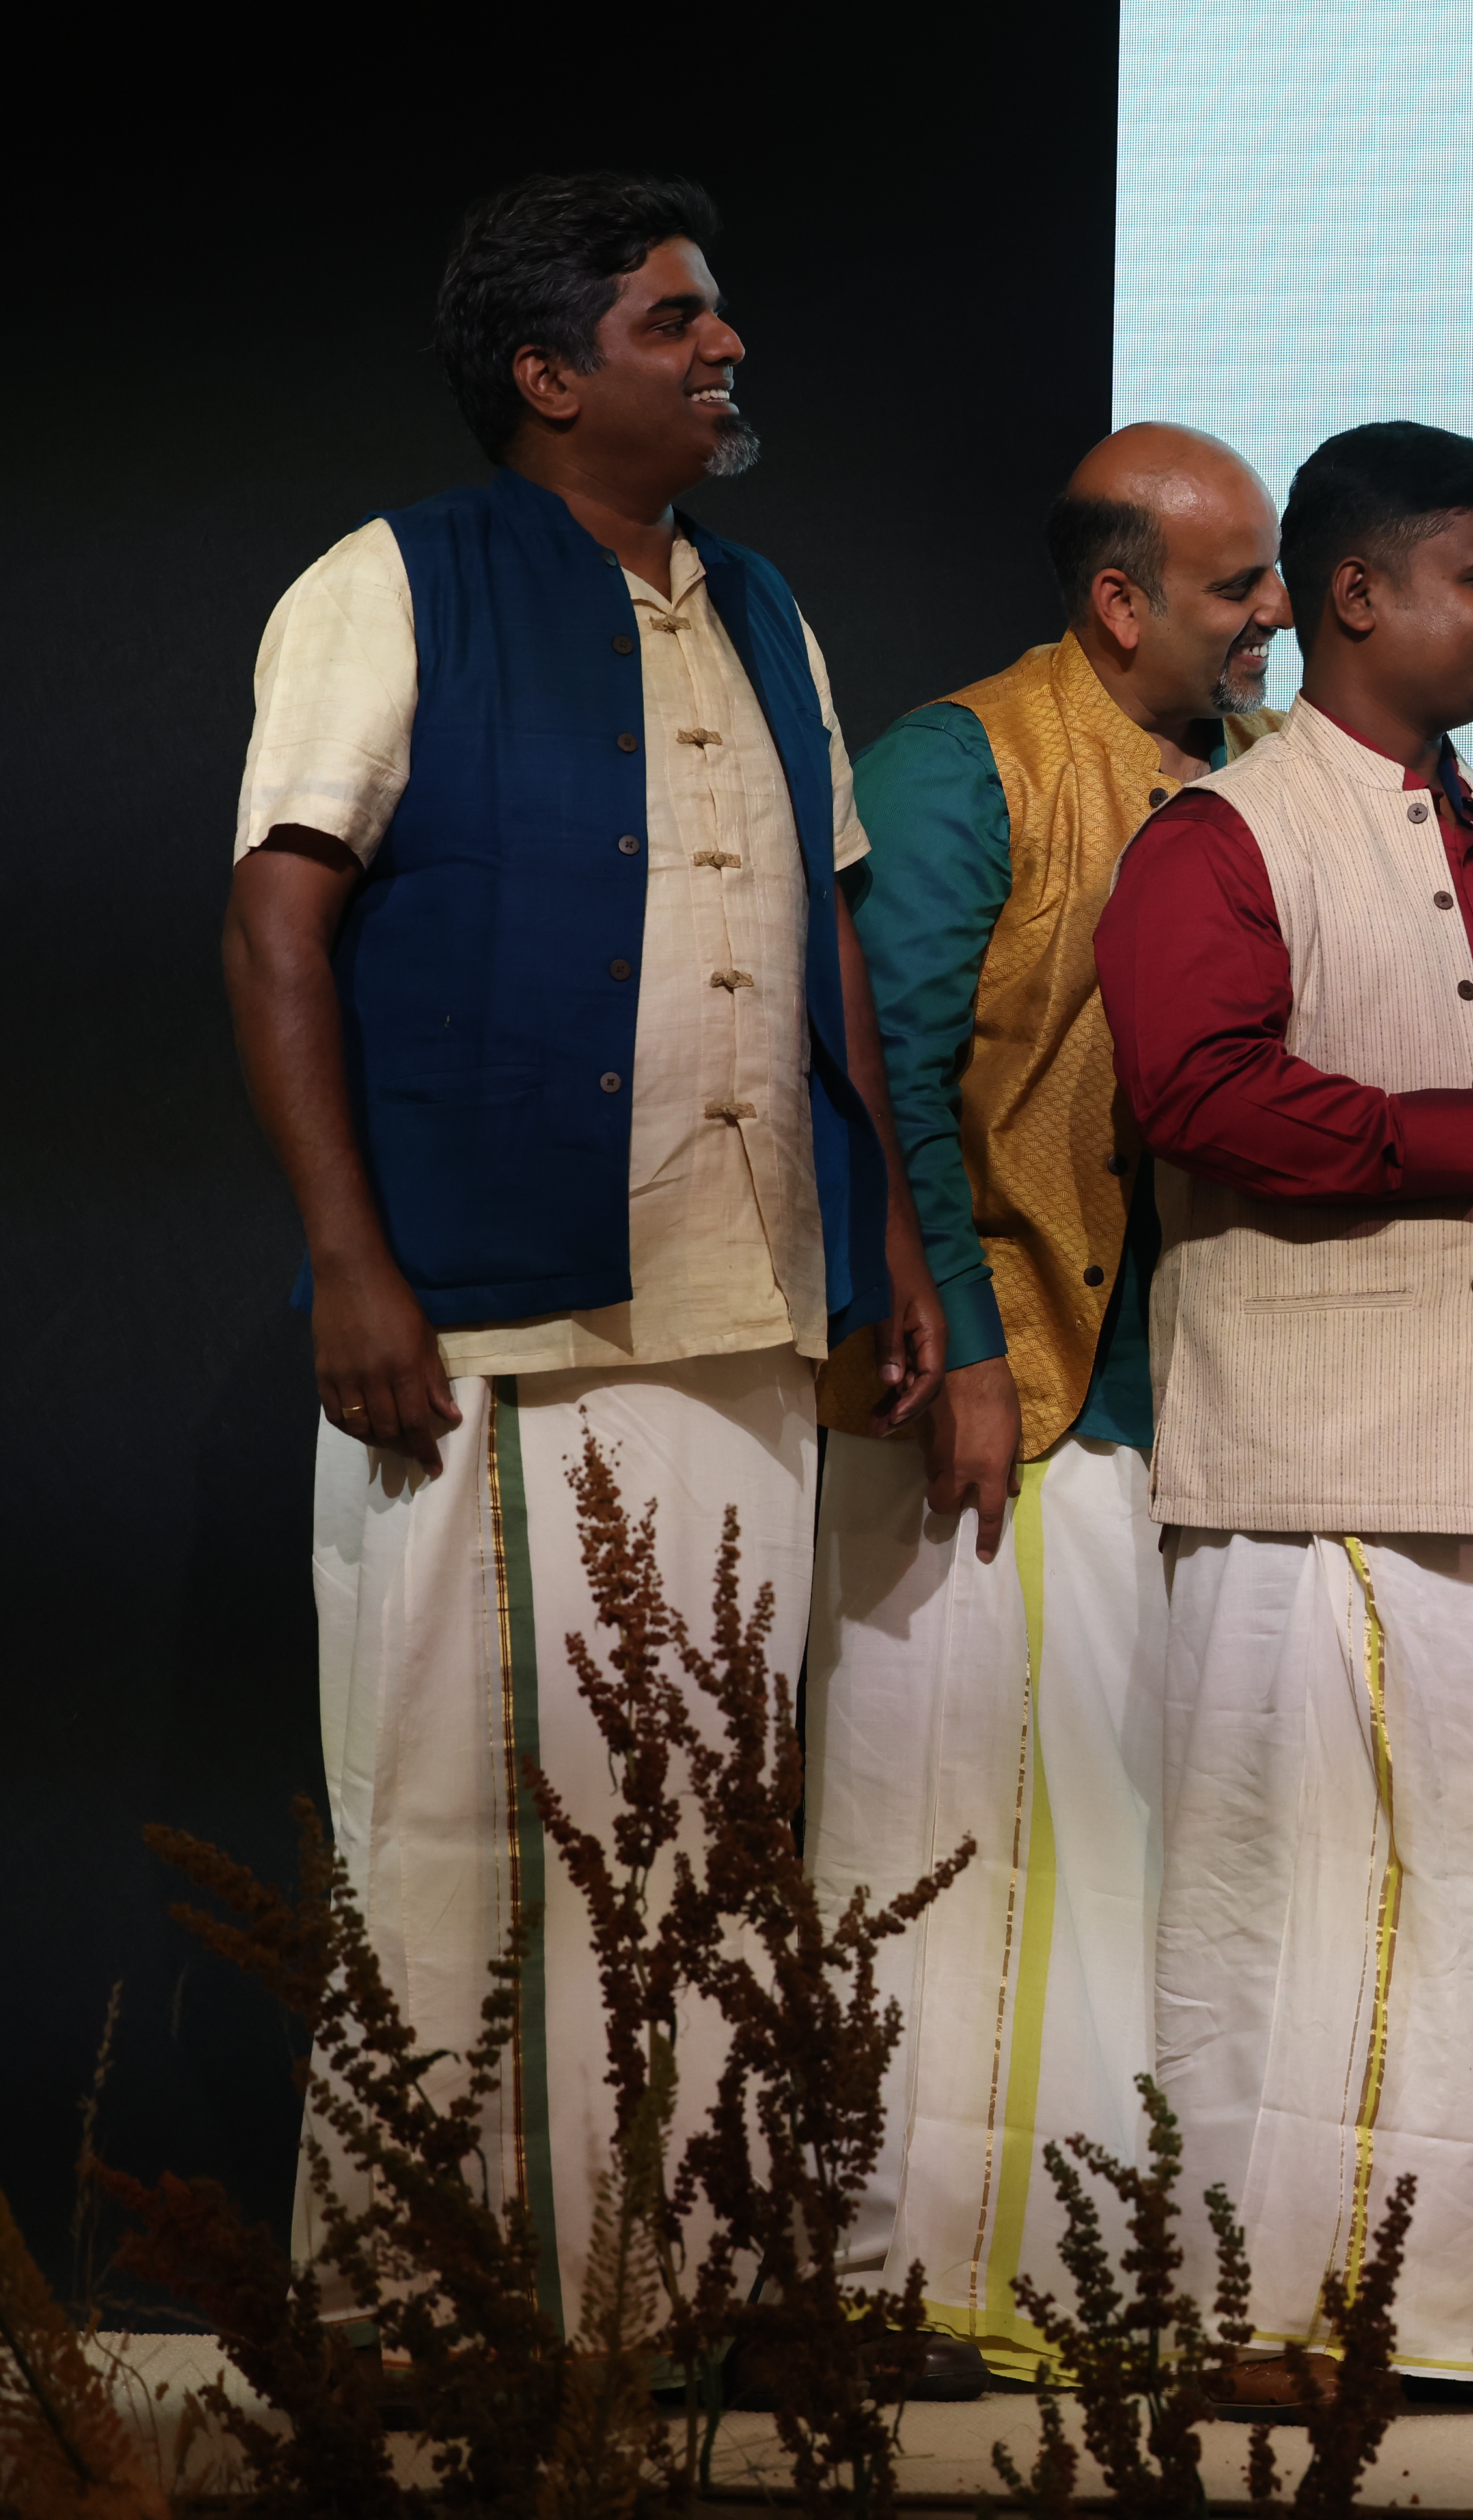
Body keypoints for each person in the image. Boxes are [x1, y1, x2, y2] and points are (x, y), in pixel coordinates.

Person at [223, 172, 943, 2329]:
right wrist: (354, 1261)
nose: (726, 349)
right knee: (460, 1809)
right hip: (486, 1308)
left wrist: (892, 1243)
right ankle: (424, 2309)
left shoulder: (765, 604)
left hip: (743, 1296)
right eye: (672, 321)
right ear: (548, 376)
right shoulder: (393, 582)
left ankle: (675, 2293)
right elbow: (276, 923)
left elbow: (830, 942)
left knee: (709, 1806)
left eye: (718, 316)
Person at [1094, 420, 1473, 2409]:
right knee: (1291, 1907)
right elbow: (1192, 1090)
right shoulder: (1222, 838)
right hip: (1313, 1465)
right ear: (1359, 594)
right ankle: (1261, 2316)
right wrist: (1465, 1140)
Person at [802, 424, 1291, 2381]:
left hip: (1181, 1401)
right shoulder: (968, 763)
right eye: (1240, 585)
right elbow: (891, 1075)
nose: (1274, 616)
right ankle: (903, 2279)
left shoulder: (1258, 774)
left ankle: (1076, 2276)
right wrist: (973, 1352)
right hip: (990, 1386)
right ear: (1117, 600)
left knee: (1113, 1859)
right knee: (939, 1840)